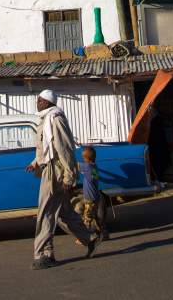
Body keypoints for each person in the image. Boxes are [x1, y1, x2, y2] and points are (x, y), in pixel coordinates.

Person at [25, 89, 102, 269]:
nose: (37, 102)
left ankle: (45, 254)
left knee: (46, 213)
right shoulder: (46, 119)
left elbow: (65, 148)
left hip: (55, 173)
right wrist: (35, 162)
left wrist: (69, 176)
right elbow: (46, 147)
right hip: (49, 169)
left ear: (47, 103)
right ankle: (90, 239)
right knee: (63, 213)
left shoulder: (56, 119)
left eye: (40, 100)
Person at [79, 146, 110, 241]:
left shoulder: (87, 166)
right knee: (96, 219)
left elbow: (77, 164)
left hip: (90, 198)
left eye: (83, 159)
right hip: (95, 197)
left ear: (87, 159)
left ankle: (84, 237)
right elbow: (84, 173)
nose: (83, 161)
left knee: (87, 217)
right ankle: (105, 234)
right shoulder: (94, 167)